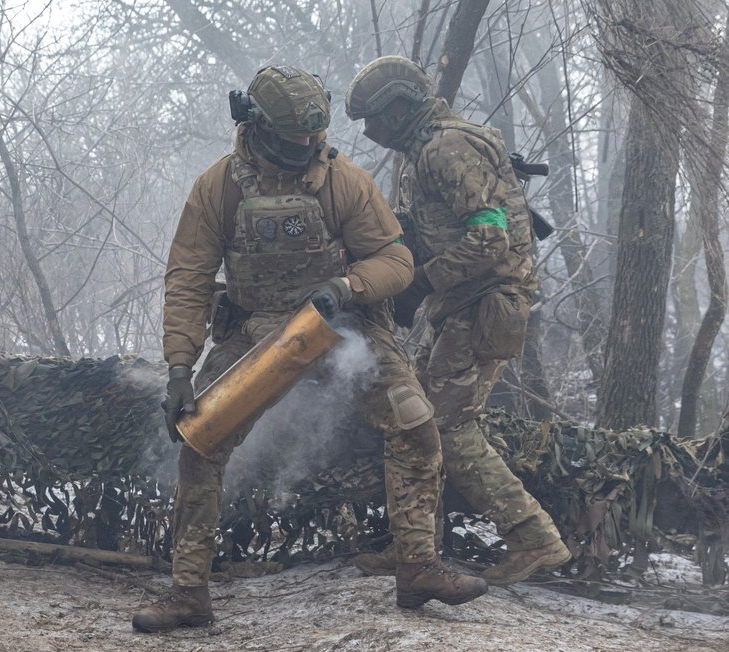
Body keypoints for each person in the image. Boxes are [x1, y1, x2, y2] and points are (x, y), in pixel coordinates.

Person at [132, 64, 487, 633]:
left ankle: (418, 567)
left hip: (344, 325)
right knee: (201, 442)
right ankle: (187, 594)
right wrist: (180, 367)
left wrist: (346, 287)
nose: (307, 147)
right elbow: (188, 277)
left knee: (416, 423)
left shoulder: (343, 181)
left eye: (313, 137)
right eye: (295, 138)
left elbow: (395, 261)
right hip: (256, 331)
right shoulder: (219, 186)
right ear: (259, 125)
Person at [344, 55, 571, 586]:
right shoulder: (423, 149)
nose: (371, 132)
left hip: (484, 303)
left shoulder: (447, 146)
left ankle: (534, 537)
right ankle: (415, 548)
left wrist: (420, 281)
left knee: (445, 424)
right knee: (415, 421)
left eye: (374, 119)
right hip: (462, 303)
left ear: (401, 106)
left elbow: (490, 234)